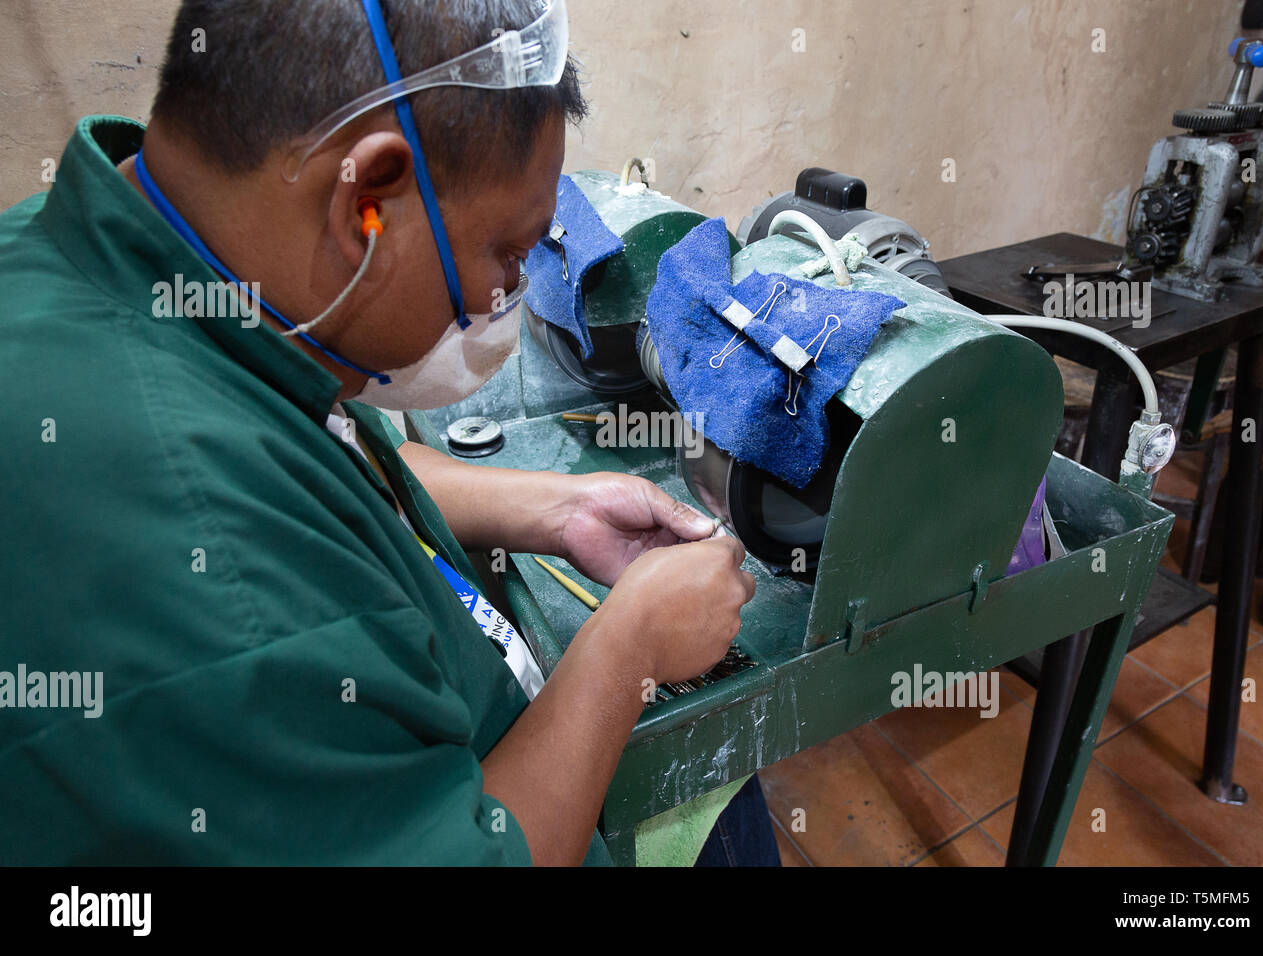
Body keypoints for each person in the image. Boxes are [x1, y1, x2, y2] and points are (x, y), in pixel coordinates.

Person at [0, 0, 771, 865]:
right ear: (364, 201)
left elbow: (322, 456)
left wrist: (558, 507)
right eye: (508, 255)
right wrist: (627, 647)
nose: (510, 295)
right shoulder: (216, 583)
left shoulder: (109, 258)